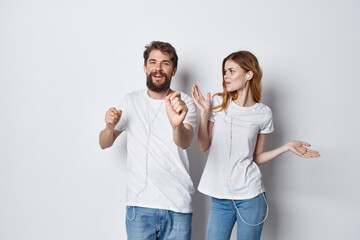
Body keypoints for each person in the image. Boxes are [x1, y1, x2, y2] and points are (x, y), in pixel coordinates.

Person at [191, 50, 320, 240]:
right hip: (220, 199)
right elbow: (203, 146)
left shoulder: (263, 113)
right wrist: (204, 115)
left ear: (249, 74)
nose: (226, 76)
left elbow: (256, 157)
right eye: (224, 71)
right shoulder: (217, 104)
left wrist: (286, 147)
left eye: (232, 71)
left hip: (251, 197)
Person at [99, 41, 196, 240]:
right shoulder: (130, 101)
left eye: (165, 63)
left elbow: (184, 142)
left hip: (177, 206)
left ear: (174, 70)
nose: (158, 68)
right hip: (140, 205)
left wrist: (176, 124)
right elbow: (104, 143)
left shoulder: (184, 103)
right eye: (152, 62)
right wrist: (109, 128)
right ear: (145, 67)